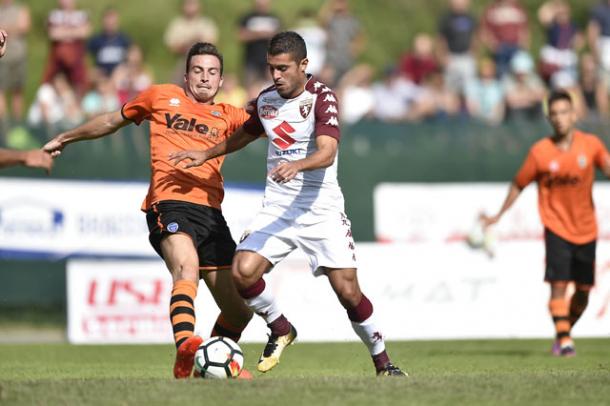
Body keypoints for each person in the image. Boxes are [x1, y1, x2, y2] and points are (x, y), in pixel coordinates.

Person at [170, 31, 407, 377]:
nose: (276, 75)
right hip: (279, 208)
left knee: (348, 291)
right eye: (271, 69)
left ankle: (383, 362)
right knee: (243, 270)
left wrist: (297, 165)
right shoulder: (266, 100)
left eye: (283, 68)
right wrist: (206, 153)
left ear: (303, 65)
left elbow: (327, 152)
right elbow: (246, 133)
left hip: (319, 208)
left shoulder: (322, 97)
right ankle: (281, 328)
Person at [43, 42, 253, 379]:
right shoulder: (159, 96)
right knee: (186, 268)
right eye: (197, 70)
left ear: (221, 79)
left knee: (240, 312)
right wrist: (66, 137)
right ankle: (186, 348)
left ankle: (208, 365)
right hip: (169, 202)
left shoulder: (229, 115)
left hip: (212, 215)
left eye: (212, 72)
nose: (204, 78)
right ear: (186, 76)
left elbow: (268, 123)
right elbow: (111, 121)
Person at [483, 90, 610, 357]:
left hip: (586, 228)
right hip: (556, 227)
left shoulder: (592, 145)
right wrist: (498, 215)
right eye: (554, 114)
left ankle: (563, 332)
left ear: (574, 115)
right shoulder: (540, 152)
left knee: (584, 293)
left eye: (564, 112)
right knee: (559, 284)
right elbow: (519, 184)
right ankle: (565, 342)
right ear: (548, 118)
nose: (560, 118)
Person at [42, 0, 91, 97]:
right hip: (58, 59)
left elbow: (85, 32)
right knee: (49, 82)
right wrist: (74, 32)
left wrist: (63, 32)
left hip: (76, 58)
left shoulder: (81, 15)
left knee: (81, 83)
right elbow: (53, 34)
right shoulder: (54, 16)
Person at [164, 0, 218, 84]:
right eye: (188, 4)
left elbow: (212, 44)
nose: (190, 7)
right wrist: (189, 44)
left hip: (204, 62)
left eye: (193, 4)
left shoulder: (206, 24)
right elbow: (172, 47)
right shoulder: (177, 24)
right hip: (183, 62)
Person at [238, 0, 281, 90]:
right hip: (251, 61)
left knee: (272, 88)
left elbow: (280, 37)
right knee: (250, 88)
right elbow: (241, 36)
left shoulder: (274, 18)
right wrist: (259, 34)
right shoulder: (248, 18)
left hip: (270, 61)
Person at [437, 0, 478, 96]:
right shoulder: (446, 18)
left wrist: (474, 54)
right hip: (451, 56)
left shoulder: (471, 18)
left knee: (470, 88)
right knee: (451, 88)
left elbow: (475, 37)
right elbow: (441, 39)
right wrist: (443, 56)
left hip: (467, 56)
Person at [480, 0, 529, 78]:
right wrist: (492, 45)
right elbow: (484, 31)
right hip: (500, 49)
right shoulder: (492, 9)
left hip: (517, 47)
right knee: (502, 75)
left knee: (521, 73)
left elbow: (525, 29)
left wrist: (524, 43)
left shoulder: (518, 8)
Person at [0, 0, 30, 126]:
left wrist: (5, 27)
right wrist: (14, 27)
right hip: (3, 58)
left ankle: (17, 125)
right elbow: (19, 27)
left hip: (19, 56)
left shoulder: (21, 9)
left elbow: (24, 27)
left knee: (18, 90)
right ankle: (4, 125)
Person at [87, 7, 131, 78]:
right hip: (101, 78)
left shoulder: (124, 40)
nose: (110, 23)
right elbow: (86, 58)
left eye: (113, 20)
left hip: (120, 77)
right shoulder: (96, 40)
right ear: (103, 21)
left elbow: (132, 58)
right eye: (108, 19)